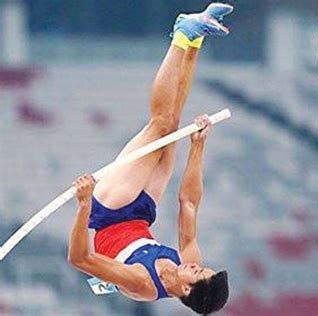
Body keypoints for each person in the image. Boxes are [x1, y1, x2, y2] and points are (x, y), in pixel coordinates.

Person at [68, 3, 233, 314]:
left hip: (108, 211)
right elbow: (188, 203)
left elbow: (80, 259)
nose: (196, 265)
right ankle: (196, 39)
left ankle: (182, 34)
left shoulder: (141, 284)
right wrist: (198, 147)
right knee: (173, 125)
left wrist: (84, 204)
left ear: (186, 289)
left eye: (197, 272)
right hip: (142, 212)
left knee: (159, 125)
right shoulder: (187, 262)